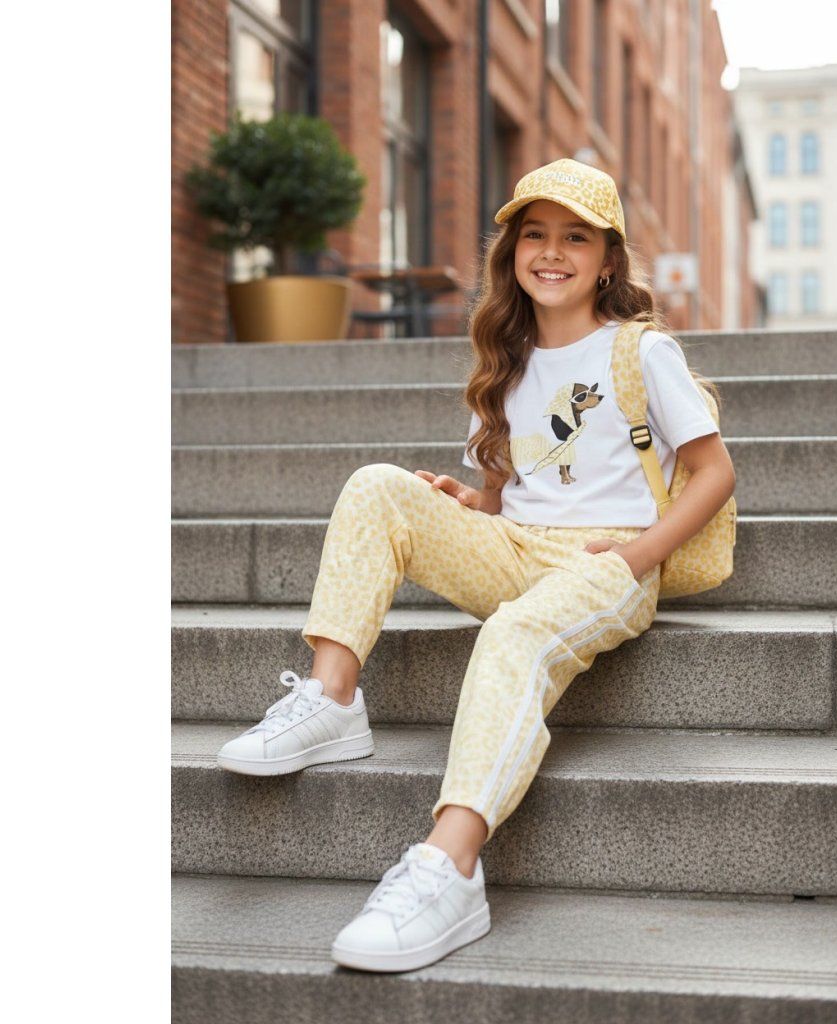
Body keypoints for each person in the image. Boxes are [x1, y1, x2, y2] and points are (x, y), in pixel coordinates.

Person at [215, 157, 737, 973]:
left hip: (607, 558)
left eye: (576, 238)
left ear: (608, 259)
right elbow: (509, 494)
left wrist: (638, 556)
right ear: (511, 253)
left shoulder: (642, 351)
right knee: (377, 485)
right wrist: (467, 503)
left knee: (513, 634)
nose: (552, 252)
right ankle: (332, 697)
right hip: (516, 544)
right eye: (535, 235)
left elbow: (714, 472)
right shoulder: (506, 358)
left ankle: (448, 868)